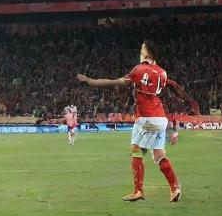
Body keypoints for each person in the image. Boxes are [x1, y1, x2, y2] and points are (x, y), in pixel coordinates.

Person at [78, 40, 185, 203]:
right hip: (160, 117)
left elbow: (115, 83)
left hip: (145, 117)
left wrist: (90, 81)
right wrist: (172, 127)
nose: (140, 51)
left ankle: (138, 191)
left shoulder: (138, 69)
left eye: (142, 49)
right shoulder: (162, 73)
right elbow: (160, 94)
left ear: (148, 53)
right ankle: (175, 187)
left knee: (136, 151)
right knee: (158, 154)